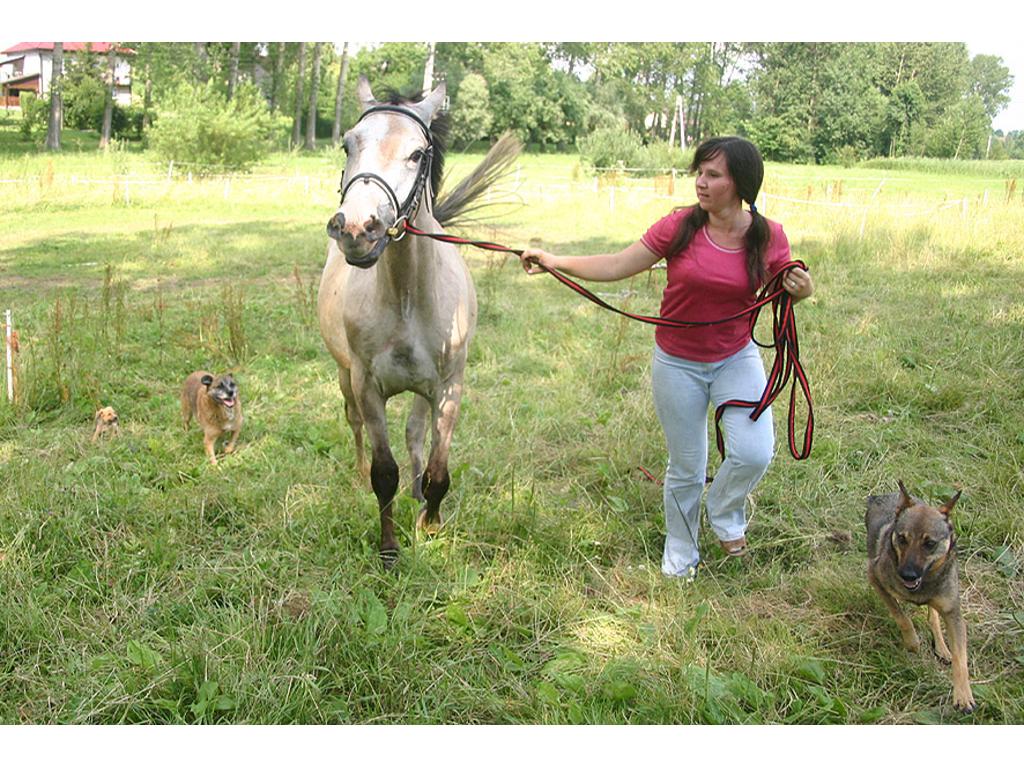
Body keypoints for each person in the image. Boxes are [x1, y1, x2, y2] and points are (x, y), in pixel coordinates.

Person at [520, 136, 813, 581]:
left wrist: (802, 287)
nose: (701, 182)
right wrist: (555, 261)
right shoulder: (679, 227)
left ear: (741, 183)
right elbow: (619, 263)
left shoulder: (766, 236)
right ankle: (681, 555)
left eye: (713, 175)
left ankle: (724, 509)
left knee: (755, 452)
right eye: (700, 172)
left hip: (736, 357)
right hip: (678, 362)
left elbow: (792, 279)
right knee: (688, 465)